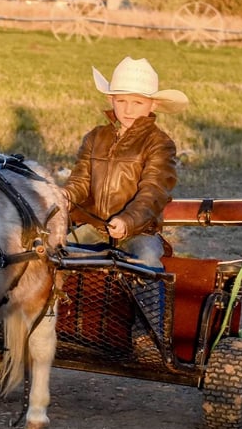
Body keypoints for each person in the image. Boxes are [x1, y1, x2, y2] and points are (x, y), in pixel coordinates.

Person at [62, 56, 189, 270]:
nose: (128, 110)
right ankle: (61, 304)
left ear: (153, 104)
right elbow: (81, 180)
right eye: (121, 101)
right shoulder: (95, 137)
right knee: (56, 255)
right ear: (111, 100)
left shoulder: (159, 144)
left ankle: (151, 305)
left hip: (139, 231)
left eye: (137, 102)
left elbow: (153, 193)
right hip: (93, 228)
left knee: (146, 263)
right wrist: (66, 196)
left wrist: (127, 221)